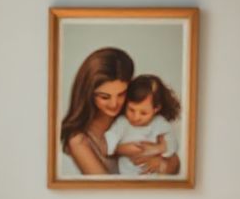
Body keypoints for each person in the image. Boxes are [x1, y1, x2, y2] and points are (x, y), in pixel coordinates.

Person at [59, 48, 180, 176]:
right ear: (88, 94)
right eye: (105, 97)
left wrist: (160, 162)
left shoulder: (134, 114)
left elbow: (175, 162)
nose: (114, 104)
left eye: (121, 94)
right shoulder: (79, 140)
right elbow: (104, 189)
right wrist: (120, 150)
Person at [103, 75, 181, 177]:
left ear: (156, 109)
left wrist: (159, 149)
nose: (136, 117)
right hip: (128, 175)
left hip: (154, 176)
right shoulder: (123, 122)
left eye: (143, 113)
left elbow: (173, 144)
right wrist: (118, 149)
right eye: (131, 110)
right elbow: (110, 139)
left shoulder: (160, 123)